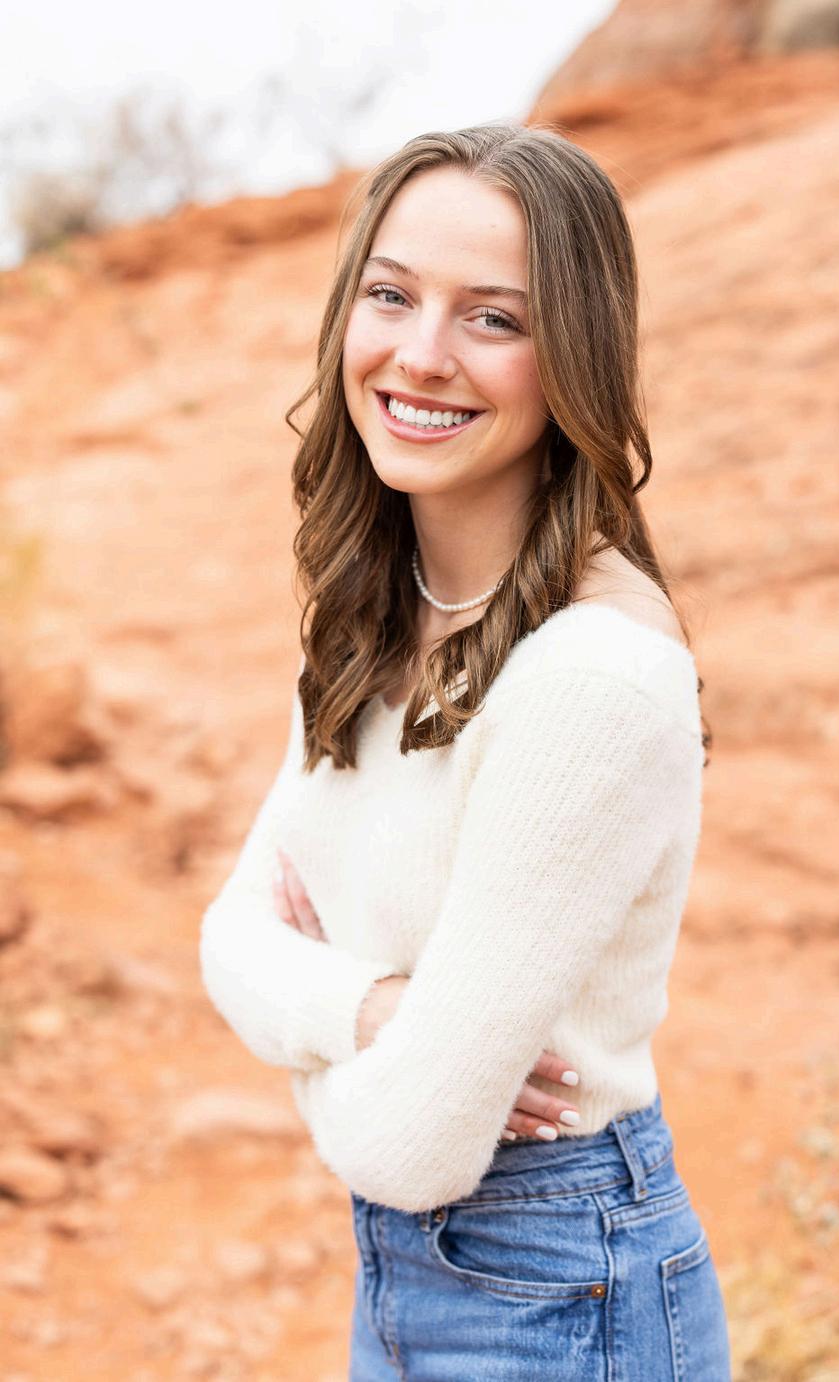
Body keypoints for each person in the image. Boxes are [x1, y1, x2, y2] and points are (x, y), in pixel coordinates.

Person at [199, 121, 731, 1380]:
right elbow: (226, 936)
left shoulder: (590, 674)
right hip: (411, 1277)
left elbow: (413, 1143)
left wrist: (312, 1029)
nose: (422, 354)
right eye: (391, 295)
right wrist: (378, 1012)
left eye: (493, 318)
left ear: (576, 356)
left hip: (559, 1285)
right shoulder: (374, 613)